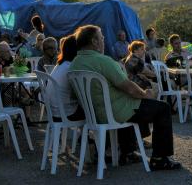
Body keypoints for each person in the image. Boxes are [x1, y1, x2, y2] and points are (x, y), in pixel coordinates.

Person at [71, 25, 180, 170]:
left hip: (94, 114)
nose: (104, 40)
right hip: (116, 112)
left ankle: (127, 152)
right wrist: (144, 94)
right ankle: (160, 158)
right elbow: (128, 86)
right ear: (94, 41)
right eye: (102, 37)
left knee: (133, 105)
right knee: (162, 108)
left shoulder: (74, 64)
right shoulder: (103, 61)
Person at [48, 35, 84, 121]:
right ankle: (101, 133)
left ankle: (83, 134)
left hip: (53, 112)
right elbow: (81, 93)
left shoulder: (60, 65)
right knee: (95, 110)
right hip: (66, 113)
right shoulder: (71, 68)